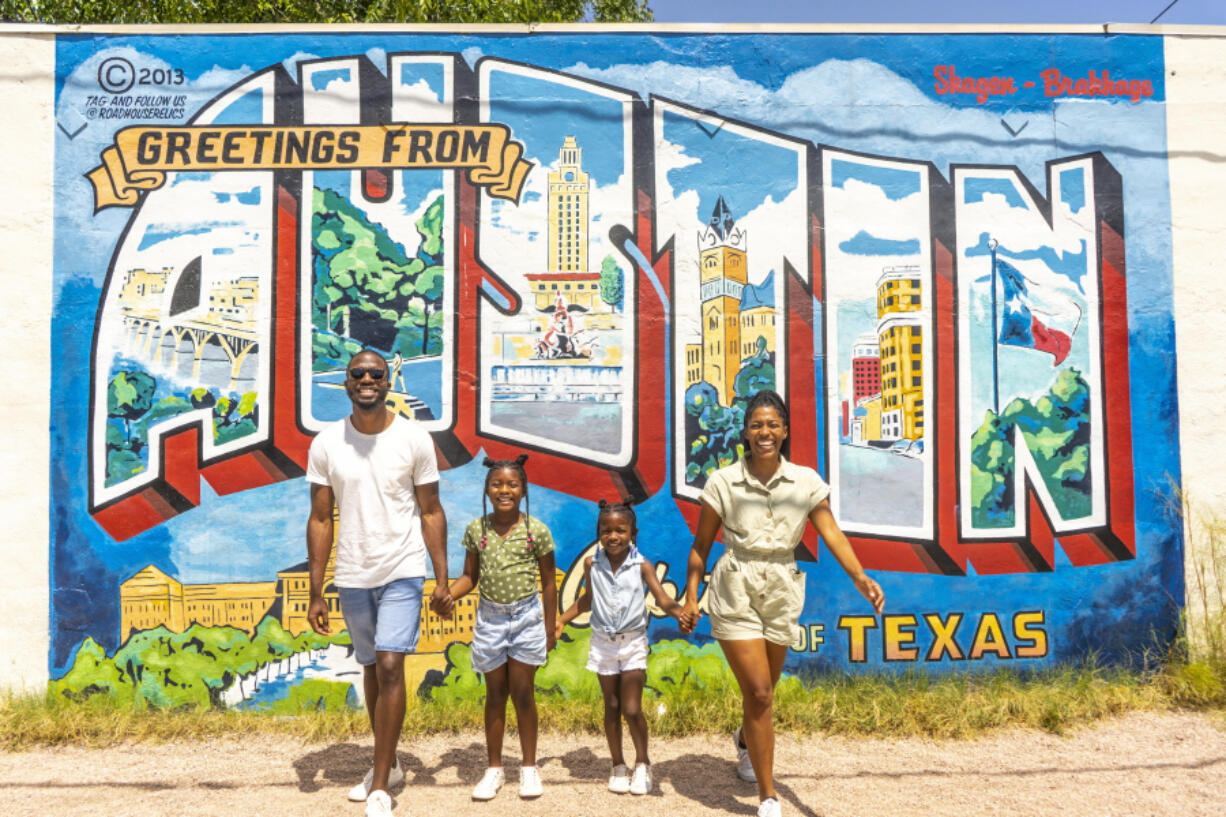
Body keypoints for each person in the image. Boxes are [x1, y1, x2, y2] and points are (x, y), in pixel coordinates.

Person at [680, 389, 885, 817]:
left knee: (765, 694)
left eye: (773, 424)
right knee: (757, 691)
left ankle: (743, 739)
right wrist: (691, 594)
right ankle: (768, 797)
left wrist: (859, 576)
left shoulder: (805, 481)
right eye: (756, 425)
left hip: (781, 587)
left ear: (785, 431)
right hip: (735, 584)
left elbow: (830, 531)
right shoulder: (723, 481)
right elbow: (700, 546)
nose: (765, 432)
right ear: (746, 432)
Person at [305, 350, 450, 817]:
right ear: (346, 383)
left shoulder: (414, 439)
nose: (367, 379)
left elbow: (430, 511)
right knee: (370, 665)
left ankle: (381, 784)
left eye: (376, 374)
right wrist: (315, 589)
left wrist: (442, 576)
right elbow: (320, 518)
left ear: (388, 383)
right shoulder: (327, 443)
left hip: (404, 568)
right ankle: (387, 763)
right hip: (353, 572)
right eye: (358, 374)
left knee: (390, 664)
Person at [435, 454, 558, 801]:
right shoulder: (478, 530)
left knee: (522, 693)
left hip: (527, 619)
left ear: (523, 489)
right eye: (497, 484)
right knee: (494, 695)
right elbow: (469, 578)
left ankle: (529, 768)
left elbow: (549, 583)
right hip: (490, 620)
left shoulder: (536, 532)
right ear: (488, 490)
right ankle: (494, 769)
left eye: (512, 484)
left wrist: (550, 629)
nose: (504, 490)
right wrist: (448, 596)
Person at [555, 500, 688, 796]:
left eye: (620, 530)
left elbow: (663, 599)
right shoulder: (593, 564)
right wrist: (561, 621)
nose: (613, 536)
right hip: (603, 644)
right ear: (599, 533)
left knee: (631, 709)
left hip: (633, 644)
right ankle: (617, 765)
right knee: (612, 707)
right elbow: (587, 600)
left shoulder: (641, 565)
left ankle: (642, 763)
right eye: (606, 530)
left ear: (633, 532)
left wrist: (680, 613)